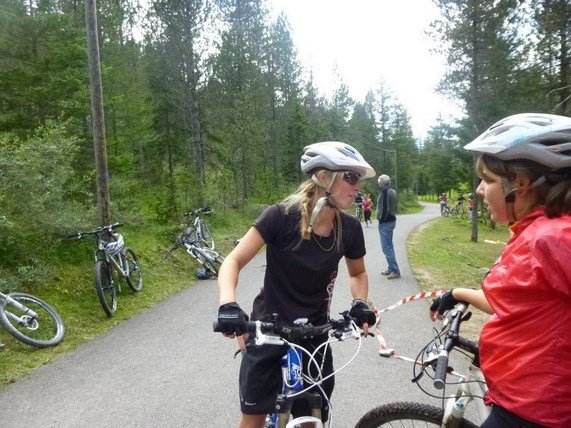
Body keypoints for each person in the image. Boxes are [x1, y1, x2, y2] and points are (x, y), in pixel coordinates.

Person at [215, 141, 377, 428]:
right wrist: (228, 304)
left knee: (309, 420)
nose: (357, 187)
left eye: (359, 179)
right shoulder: (280, 216)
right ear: (324, 177)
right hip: (269, 330)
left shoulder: (349, 229)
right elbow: (233, 261)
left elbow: (357, 273)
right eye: (351, 177)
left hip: (315, 335)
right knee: (252, 419)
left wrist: (360, 303)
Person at [429, 113, 571, 428]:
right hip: (523, 398)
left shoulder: (552, 237)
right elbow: (513, 297)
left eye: (488, 180)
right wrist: (455, 293)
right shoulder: (537, 232)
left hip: (535, 411)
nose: (480, 190)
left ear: (519, 182)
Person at [376, 174, 400, 279]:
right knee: (389, 246)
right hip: (391, 221)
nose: (379, 183)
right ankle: (391, 268)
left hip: (386, 222)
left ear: (381, 182)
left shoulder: (385, 192)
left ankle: (395, 270)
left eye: (379, 182)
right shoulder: (392, 191)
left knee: (386, 248)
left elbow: (385, 208)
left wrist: (381, 219)